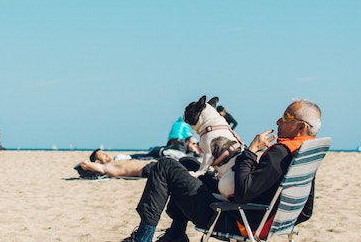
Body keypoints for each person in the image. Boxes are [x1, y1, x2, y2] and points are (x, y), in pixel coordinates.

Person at [121, 99, 322, 242]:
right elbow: (306, 212)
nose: (278, 121)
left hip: (233, 218)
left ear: (301, 127)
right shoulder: (304, 152)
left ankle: (142, 238)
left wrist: (250, 151)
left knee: (165, 166)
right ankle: (176, 235)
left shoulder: (281, 153)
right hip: (259, 216)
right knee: (189, 165)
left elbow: (243, 192)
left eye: (285, 117)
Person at [80, 149, 157, 178]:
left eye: (104, 152)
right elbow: (83, 163)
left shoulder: (114, 162)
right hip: (148, 170)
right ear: (97, 162)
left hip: (152, 165)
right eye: (102, 154)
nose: (106, 154)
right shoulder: (106, 167)